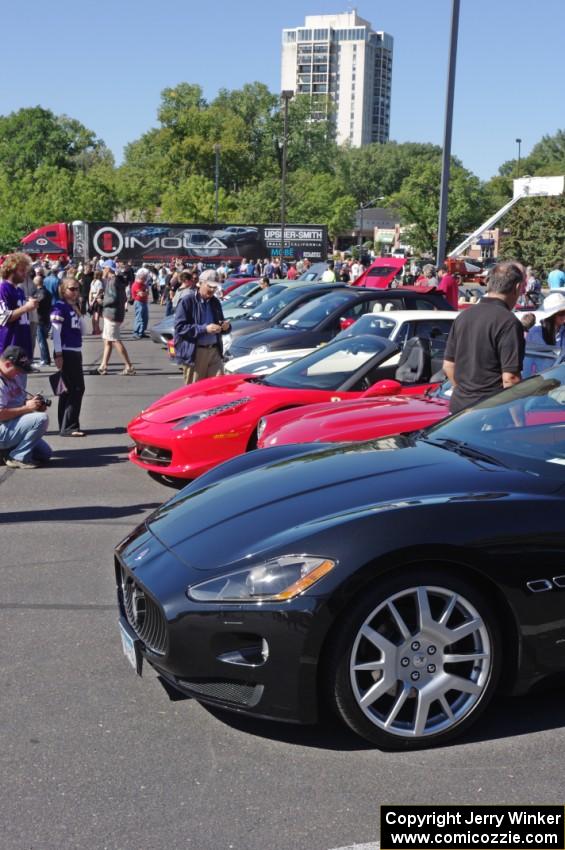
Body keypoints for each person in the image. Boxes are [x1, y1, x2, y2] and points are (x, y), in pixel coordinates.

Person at [443, 260, 525, 414]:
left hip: (457, 411)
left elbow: (448, 365)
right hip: (489, 413)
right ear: (517, 287)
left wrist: (463, 392)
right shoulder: (509, 322)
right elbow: (510, 379)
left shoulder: (464, 316)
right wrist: (518, 420)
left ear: (489, 284)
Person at [174, 269, 231, 384]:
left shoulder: (215, 302)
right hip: (196, 353)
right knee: (195, 394)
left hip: (215, 351)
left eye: (215, 288)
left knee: (217, 388)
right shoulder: (187, 301)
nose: (212, 290)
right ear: (201, 283)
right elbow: (180, 328)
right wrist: (204, 329)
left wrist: (225, 327)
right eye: (210, 286)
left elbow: (220, 323)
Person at [0, 345, 51, 468]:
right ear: (7, 364)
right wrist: (27, 408)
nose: (19, 373)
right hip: (3, 426)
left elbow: (17, 402)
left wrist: (34, 404)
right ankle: (17, 457)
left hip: (10, 425)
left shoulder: (12, 377)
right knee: (41, 419)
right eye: (18, 369)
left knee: (45, 454)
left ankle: (5, 452)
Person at [51, 277, 86, 437]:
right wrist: (58, 354)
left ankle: (66, 425)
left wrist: (79, 311)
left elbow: (84, 330)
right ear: (63, 290)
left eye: (77, 288)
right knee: (76, 389)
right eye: (72, 289)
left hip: (75, 350)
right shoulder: (59, 307)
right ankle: (69, 426)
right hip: (66, 351)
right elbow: (56, 333)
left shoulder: (73, 307)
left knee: (68, 389)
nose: (75, 291)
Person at [96, 270, 135, 376]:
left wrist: (102, 301)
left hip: (111, 314)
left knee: (114, 340)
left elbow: (112, 298)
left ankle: (129, 366)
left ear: (108, 270)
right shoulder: (120, 281)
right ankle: (103, 366)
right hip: (117, 313)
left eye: (104, 269)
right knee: (108, 340)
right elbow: (123, 298)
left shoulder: (112, 281)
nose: (102, 271)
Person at [0, 253, 37, 358]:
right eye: (22, 271)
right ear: (11, 270)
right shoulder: (3, 289)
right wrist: (26, 307)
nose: (25, 274)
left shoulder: (19, 291)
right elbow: (4, 317)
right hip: (9, 348)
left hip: (21, 348)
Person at [34, 275, 52, 365]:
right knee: (43, 340)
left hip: (40, 318)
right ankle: (45, 358)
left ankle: (45, 359)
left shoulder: (41, 292)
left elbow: (36, 303)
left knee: (41, 341)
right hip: (46, 318)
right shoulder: (46, 292)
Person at [131, 268, 150, 339]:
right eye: (144, 278)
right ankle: (136, 332)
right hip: (139, 302)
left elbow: (146, 293)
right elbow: (142, 294)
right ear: (141, 278)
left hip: (143, 302)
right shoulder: (136, 284)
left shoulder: (142, 284)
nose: (145, 280)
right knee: (139, 318)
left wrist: (145, 292)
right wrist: (146, 292)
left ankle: (141, 332)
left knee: (145, 318)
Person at [88, 270, 105, 335]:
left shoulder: (92, 282)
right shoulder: (99, 282)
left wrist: (90, 301)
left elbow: (90, 292)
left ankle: (94, 329)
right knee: (97, 315)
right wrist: (95, 299)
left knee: (93, 316)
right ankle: (97, 329)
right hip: (97, 299)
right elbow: (99, 291)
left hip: (92, 298)